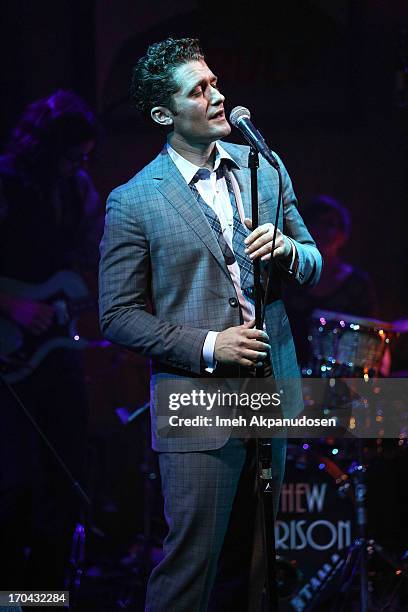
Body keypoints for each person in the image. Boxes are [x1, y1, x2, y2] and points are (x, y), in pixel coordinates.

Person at [99, 38, 322, 611]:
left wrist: (290, 253)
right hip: (197, 401)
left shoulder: (262, 168)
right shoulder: (134, 201)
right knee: (191, 568)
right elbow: (117, 316)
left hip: (270, 391)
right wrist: (208, 345)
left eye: (214, 82)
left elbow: (313, 258)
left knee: (261, 565)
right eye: (198, 90)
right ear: (162, 115)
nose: (217, 95)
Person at [0, 90, 102, 590]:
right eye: (69, 155)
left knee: (66, 474)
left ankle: (43, 597)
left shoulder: (78, 191)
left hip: (55, 348)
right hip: (9, 351)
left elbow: (90, 257)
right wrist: (12, 304)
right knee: (12, 483)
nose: (75, 165)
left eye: (81, 157)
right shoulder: (5, 183)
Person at [285, 195, 378, 369]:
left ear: (343, 235)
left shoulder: (357, 283)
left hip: (341, 381)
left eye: (329, 225)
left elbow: (370, 339)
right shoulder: (287, 278)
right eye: (315, 223)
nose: (321, 231)